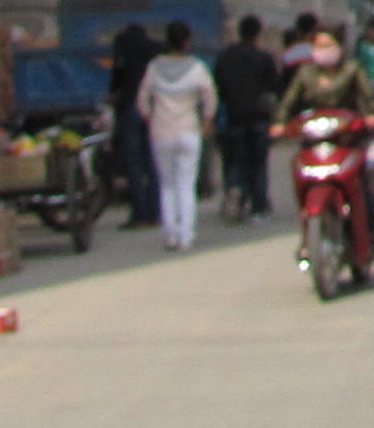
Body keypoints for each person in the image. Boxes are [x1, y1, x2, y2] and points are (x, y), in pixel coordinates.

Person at [277, 29, 374, 257]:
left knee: (362, 181)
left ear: (339, 48)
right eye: (319, 46)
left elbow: (367, 97)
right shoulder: (305, 72)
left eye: (328, 46)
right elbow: (290, 100)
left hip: (346, 135)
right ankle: (309, 238)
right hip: (314, 136)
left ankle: (373, 229)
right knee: (301, 175)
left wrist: (371, 115)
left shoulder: (352, 69)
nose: (323, 51)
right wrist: (280, 122)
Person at [140, 19, 216, 252]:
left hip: (162, 132)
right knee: (186, 183)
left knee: (167, 184)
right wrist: (206, 121)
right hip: (188, 131)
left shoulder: (154, 68)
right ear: (187, 41)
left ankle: (171, 234)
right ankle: (186, 235)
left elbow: (142, 101)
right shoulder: (197, 68)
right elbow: (210, 97)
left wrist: (151, 119)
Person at [212, 14, 280, 223]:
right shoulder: (264, 58)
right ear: (258, 34)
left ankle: (235, 191)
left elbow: (218, 88)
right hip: (259, 117)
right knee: (258, 163)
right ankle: (258, 205)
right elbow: (274, 88)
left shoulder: (225, 57)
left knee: (235, 161)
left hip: (235, 116)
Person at [106, 19, 160, 231]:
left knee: (133, 162)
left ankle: (139, 215)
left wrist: (114, 94)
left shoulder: (123, 45)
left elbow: (117, 76)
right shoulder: (154, 49)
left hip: (130, 106)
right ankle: (155, 213)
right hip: (151, 108)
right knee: (151, 161)